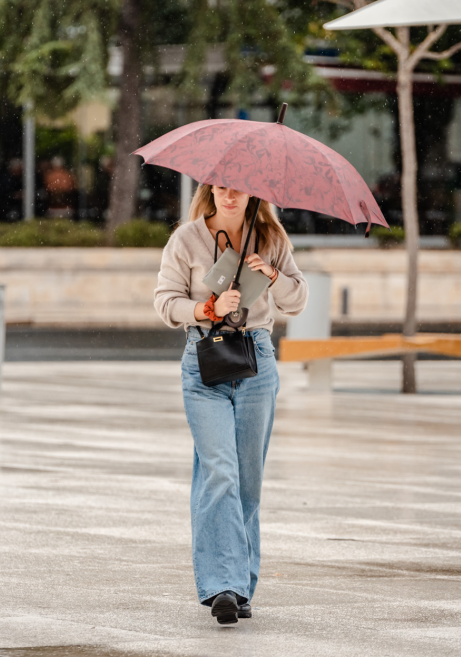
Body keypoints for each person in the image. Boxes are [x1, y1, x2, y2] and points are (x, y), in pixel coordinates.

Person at [154, 184, 308, 625]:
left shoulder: (271, 238)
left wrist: (273, 275)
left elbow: (297, 300)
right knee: (219, 471)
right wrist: (207, 308)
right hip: (204, 360)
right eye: (221, 187)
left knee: (247, 481)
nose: (230, 196)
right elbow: (165, 302)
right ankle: (223, 584)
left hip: (256, 360)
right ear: (210, 190)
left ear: (253, 194)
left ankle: (241, 586)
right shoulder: (187, 239)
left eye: (239, 189)